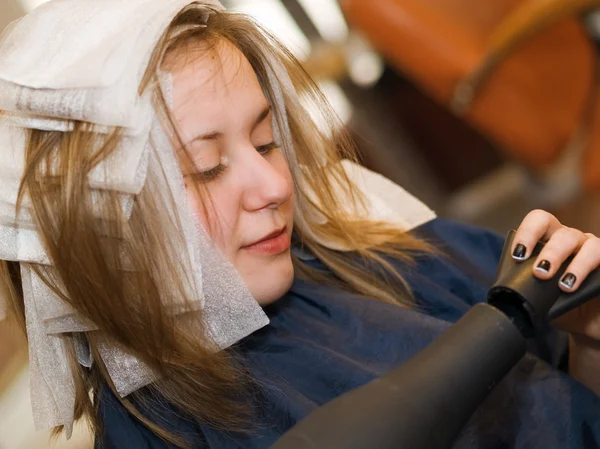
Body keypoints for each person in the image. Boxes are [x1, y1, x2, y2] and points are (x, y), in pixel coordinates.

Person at [1, 1, 600, 448]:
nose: (276, 187)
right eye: (206, 170)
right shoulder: (175, 430)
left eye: (265, 142)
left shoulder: (372, 253)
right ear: (102, 231)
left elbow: (571, 392)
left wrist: (587, 335)